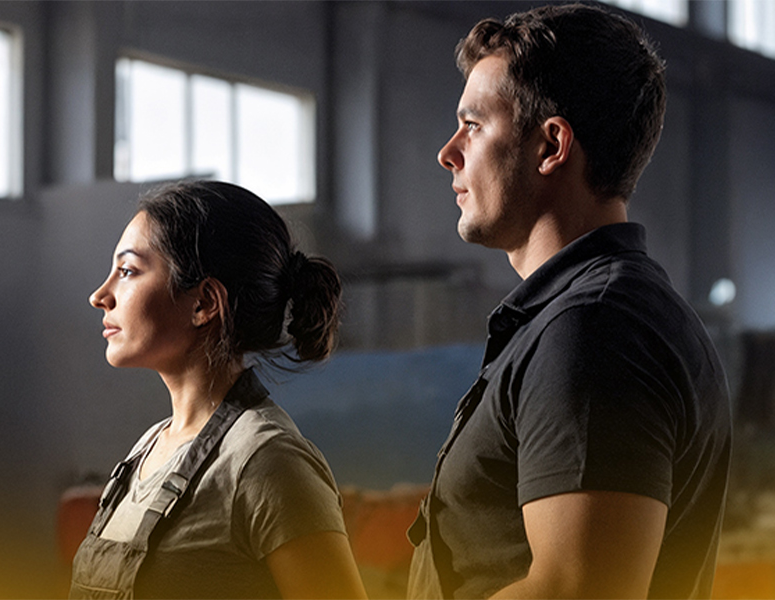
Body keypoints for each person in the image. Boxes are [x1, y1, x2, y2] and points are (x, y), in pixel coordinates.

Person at [405, 5, 732, 599]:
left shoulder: (594, 329)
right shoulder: (582, 319)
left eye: (474, 125)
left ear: (550, 145)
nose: (448, 153)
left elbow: (574, 590)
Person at [71, 181, 368, 600]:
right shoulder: (147, 448)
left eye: (128, 271)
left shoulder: (269, 461)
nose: (100, 296)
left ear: (204, 303)